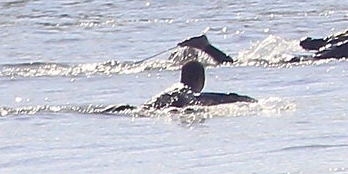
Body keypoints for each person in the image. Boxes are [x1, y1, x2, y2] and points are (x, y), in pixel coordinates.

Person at [109, 61, 255, 112]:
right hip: (176, 106)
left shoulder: (172, 90)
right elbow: (212, 98)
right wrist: (239, 98)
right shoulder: (187, 93)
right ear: (200, 80)